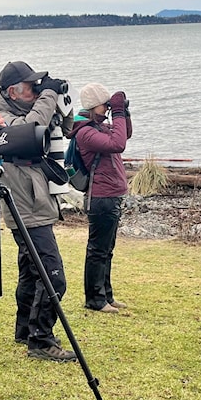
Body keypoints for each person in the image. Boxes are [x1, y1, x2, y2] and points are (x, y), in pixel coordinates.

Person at [0, 61, 77, 362]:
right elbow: (30, 131)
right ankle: (41, 340)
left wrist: (62, 100)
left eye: (39, 87)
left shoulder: (24, 111)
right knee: (51, 275)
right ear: (12, 91)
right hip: (25, 204)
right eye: (31, 88)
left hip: (33, 201)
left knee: (29, 270)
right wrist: (48, 95)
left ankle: (26, 330)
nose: (37, 92)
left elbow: (67, 128)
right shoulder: (1, 119)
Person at [72, 83, 133, 314]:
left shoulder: (100, 127)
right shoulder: (86, 132)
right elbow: (118, 144)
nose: (108, 108)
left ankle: (105, 295)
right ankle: (95, 299)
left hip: (111, 194)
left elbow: (125, 134)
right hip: (101, 196)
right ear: (93, 105)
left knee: (107, 249)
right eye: (105, 104)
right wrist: (117, 112)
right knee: (98, 249)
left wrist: (123, 112)